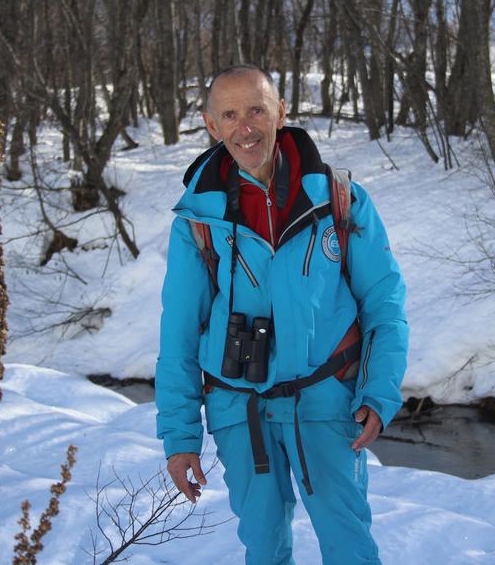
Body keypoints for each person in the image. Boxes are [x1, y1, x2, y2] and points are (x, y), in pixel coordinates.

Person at [155, 64, 408, 565]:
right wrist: (179, 436)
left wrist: (379, 392)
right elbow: (179, 334)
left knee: (350, 547)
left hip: (327, 400)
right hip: (238, 409)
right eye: (229, 114)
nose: (244, 127)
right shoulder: (198, 222)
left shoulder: (339, 199)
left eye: (256, 110)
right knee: (264, 549)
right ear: (212, 125)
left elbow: (385, 304)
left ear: (281, 113)